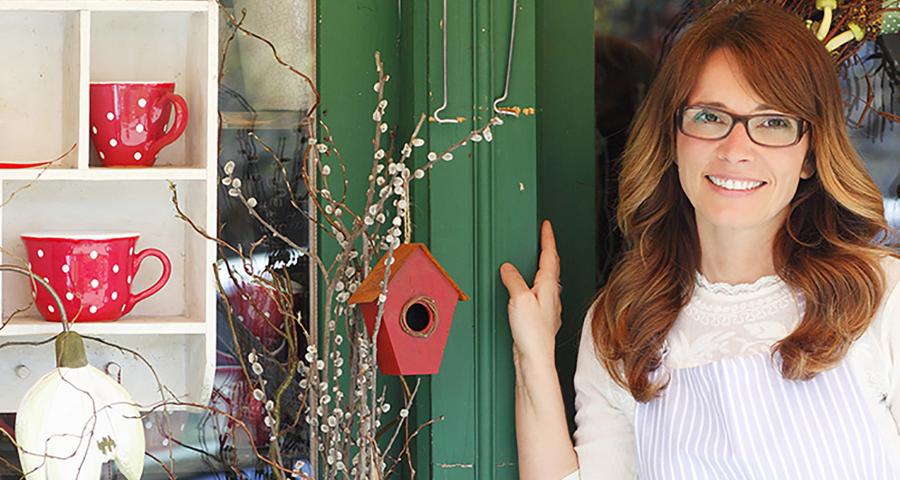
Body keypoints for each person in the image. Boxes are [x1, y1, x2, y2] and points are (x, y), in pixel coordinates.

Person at [499, 2, 900, 479]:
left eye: (773, 122)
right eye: (710, 117)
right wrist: (533, 353)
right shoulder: (625, 324)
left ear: (810, 154)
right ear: (673, 137)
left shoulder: (882, 297)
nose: (736, 149)